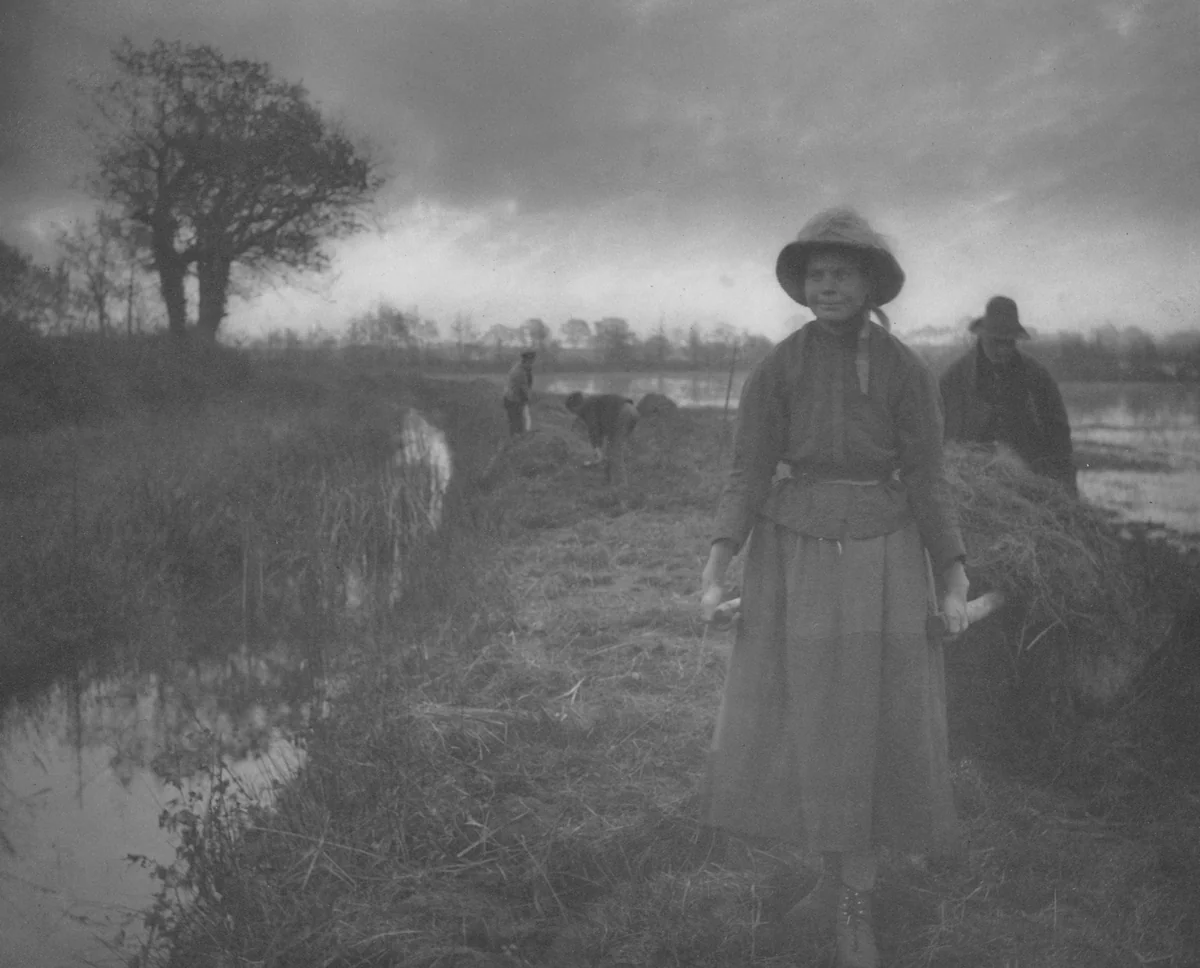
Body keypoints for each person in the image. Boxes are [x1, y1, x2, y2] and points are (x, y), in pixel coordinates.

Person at [698, 207, 971, 968]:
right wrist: (720, 562)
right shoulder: (777, 367)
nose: (827, 287)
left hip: (884, 558)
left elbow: (927, 478)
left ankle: (859, 904)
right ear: (802, 284)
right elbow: (748, 469)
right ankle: (829, 879)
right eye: (816, 274)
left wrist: (952, 577)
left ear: (869, 283)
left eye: (842, 274)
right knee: (811, 716)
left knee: (871, 716)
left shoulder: (906, 371)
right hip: (793, 559)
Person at [939, 296, 1077, 494]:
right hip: (970, 487)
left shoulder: (1037, 377)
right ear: (981, 336)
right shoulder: (954, 379)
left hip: (1028, 484)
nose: (1003, 350)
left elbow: (1060, 438)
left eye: (1009, 343)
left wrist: (1068, 489)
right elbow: (936, 438)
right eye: (996, 342)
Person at [564, 391, 639, 485]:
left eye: (573, 411)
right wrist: (599, 448)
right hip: (631, 411)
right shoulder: (594, 403)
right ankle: (610, 481)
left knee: (615, 452)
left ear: (575, 407)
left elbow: (593, 427)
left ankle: (621, 488)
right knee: (612, 448)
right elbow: (600, 428)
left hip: (623, 413)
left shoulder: (587, 406)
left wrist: (597, 449)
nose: (576, 414)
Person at [503, 349, 537, 436]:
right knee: (518, 424)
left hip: (515, 398)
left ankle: (517, 438)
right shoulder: (519, 372)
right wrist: (530, 400)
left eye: (533, 361)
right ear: (526, 360)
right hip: (513, 400)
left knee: (519, 423)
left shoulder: (524, 368)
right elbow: (524, 389)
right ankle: (517, 441)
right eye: (531, 361)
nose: (532, 364)